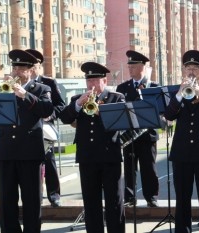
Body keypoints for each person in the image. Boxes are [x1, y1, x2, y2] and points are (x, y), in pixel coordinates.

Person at [59, 62, 125, 233]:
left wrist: (99, 111)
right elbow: (65, 117)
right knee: (90, 201)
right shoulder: (78, 99)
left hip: (110, 156)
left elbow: (120, 123)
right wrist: (78, 104)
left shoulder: (116, 97)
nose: (92, 85)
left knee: (114, 201)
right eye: (89, 81)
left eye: (95, 80)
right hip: (87, 157)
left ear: (104, 80)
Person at [0, 49, 53, 233]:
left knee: (32, 200)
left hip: (29, 152)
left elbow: (47, 110)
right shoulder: (3, 88)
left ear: (30, 70)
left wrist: (23, 95)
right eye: (15, 68)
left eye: (21, 68)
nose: (16, 72)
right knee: (7, 200)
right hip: (7, 150)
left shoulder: (42, 89)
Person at [164, 50, 199, 233]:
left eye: (195, 68)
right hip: (182, 154)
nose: (191, 72)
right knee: (182, 199)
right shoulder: (177, 93)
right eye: (188, 68)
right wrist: (181, 94)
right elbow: (169, 115)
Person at [116, 50, 160, 207]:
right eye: (129, 66)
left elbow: (159, 110)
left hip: (147, 135)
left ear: (142, 67)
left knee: (149, 168)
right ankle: (129, 197)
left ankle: (151, 197)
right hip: (129, 135)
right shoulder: (122, 87)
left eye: (133, 66)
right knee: (129, 168)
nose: (130, 69)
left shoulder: (153, 86)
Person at [26, 48, 65, 207]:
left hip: (45, 130)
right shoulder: (20, 83)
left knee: (49, 161)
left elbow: (61, 105)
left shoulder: (48, 82)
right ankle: (34, 195)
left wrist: (50, 115)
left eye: (35, 65)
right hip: (27, 130)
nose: (33, 68)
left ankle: (54, 195)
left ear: (39, 66)